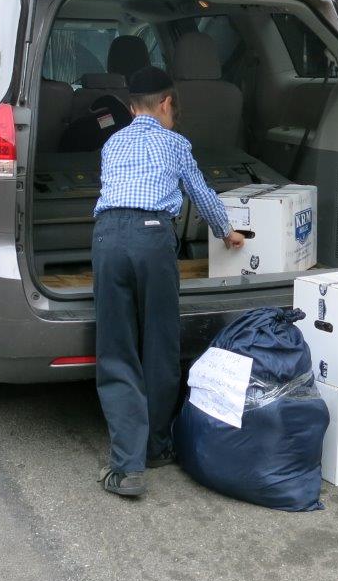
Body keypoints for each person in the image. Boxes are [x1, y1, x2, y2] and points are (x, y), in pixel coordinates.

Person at [91, 65, 245, 498]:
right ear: (167, 104)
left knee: (116, 351)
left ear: (127, 107)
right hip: (152, 237)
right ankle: (158, 447)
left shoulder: (112, 142)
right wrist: (226, 232)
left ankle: (126, 466)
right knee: (159, 344)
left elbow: (111, 190)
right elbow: (201, 194)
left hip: (106, 237)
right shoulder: (175, 143)